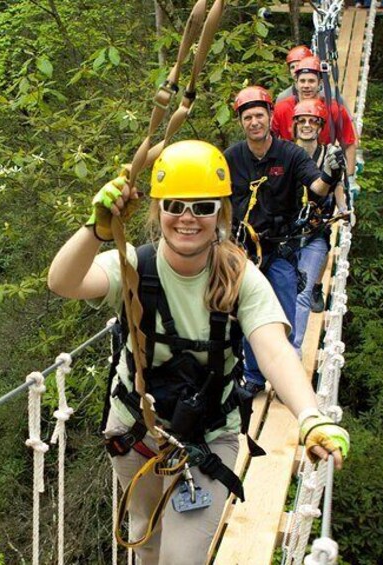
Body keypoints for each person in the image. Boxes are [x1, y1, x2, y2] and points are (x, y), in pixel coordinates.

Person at [47, 140, 349, 565]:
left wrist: (309, 416)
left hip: (208, 436)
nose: (188, 218)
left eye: (203, 207)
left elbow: (275, 351)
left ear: (222, 214)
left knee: (180, 558)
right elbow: (62, 282)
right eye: (175, 205)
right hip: (136, 431)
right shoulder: (133, 265)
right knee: (145, 539)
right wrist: (96, 230)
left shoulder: (240, 278)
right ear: (158, 211)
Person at [224, 86, 341, 393]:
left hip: (281, 248)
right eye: (248, 117)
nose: (254, 122)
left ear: (271, 117)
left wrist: (330, 175)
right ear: (241, 122)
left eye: (259, 115)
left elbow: (316, 187)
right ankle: (253, 376)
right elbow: (213, 194)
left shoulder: (290, 155)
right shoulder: (232, 158)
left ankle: (284, 378)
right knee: (249, 314)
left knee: (284, 316)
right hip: (246, 252)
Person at [291, 100, 348, 348]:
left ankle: (293, 350)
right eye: (301, 121)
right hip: (286, 234)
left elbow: (337, 187)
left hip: (315, 232)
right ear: (294, 126)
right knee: (281, 291)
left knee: (302, 293)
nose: (306, 125)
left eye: (312, 121)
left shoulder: (330, 154)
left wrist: (344, 208)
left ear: (320, 125)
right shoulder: (285, 153)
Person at [271, 55, 359, 192]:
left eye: (311, 81)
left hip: (324, 167)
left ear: (320, 84)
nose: (306, 86)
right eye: (303, 81)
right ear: (296, 83)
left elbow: (348, 144)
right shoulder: (282, 109)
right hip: (291, 170)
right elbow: (269, 143)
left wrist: (350, 178)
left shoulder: (334, 110)